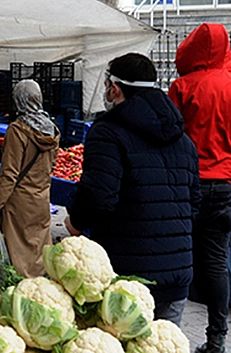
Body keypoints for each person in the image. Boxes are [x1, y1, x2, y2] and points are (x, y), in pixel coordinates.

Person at [65, 53, 201, 327]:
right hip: (177, 274)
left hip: (128, 275)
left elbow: (99, 196)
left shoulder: (107, 133)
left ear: (114, 88)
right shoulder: (183, 140)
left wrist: (75, 222)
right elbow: (195, 204)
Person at [168, 23, 231, 353]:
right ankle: (217, 340)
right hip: (223, 187)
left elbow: (169, 136)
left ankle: (171, 336)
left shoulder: (181, 87)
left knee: (178, 256)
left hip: (186, 186)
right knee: (218, 262)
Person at [0, 80, 59, 277]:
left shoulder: (17, 131)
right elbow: (51, 166)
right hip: (42, 199)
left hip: (19, 204)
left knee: (20, 257)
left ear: (18, 101)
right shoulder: (52, 129)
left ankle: (23, 294)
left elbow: (9, 176)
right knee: (39, 251)